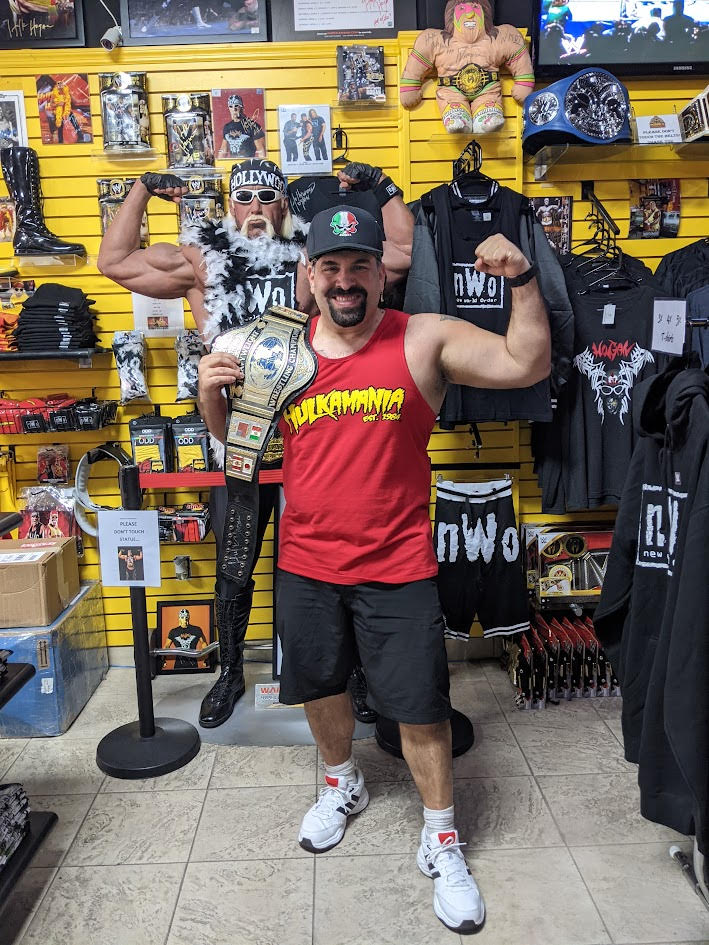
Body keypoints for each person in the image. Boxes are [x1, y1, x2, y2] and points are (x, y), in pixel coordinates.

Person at [197, 203, 550, 933]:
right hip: (306, 563)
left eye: (359, 265)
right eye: (330, 267)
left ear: (380, 273)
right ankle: (341, 783)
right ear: (310, 276)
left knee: (420, 707)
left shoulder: (423, 337)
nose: (344, 280)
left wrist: (520, 279)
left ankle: (442, 836)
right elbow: (243, 451)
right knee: (320, 687)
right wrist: (209, 398)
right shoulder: (275, 351)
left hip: (397, 564)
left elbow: (527, 363)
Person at [97, 158, 415, 729]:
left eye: (268, 196)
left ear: (284, 204)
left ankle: (354, 674)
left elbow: (401, 254)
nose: (256, 207)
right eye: (243, 196)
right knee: (235, 562)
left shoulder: (312, 258)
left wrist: (383, 187)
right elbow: (114, 262)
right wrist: (142, 187)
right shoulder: (201, 260)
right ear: (230, 205)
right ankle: (229, 672)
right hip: (235, 433)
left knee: (339, 556)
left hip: (312, 432)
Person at [218, 94, 266, 159]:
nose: (234, 109)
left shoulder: (252, 126)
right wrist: (219, 162)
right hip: (233, 163)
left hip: (248, 163)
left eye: (236, 106)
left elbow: (261, 151)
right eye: (231, 106)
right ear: (228, 109)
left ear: (242, 107)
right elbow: (223, 150)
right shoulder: (227, 127)